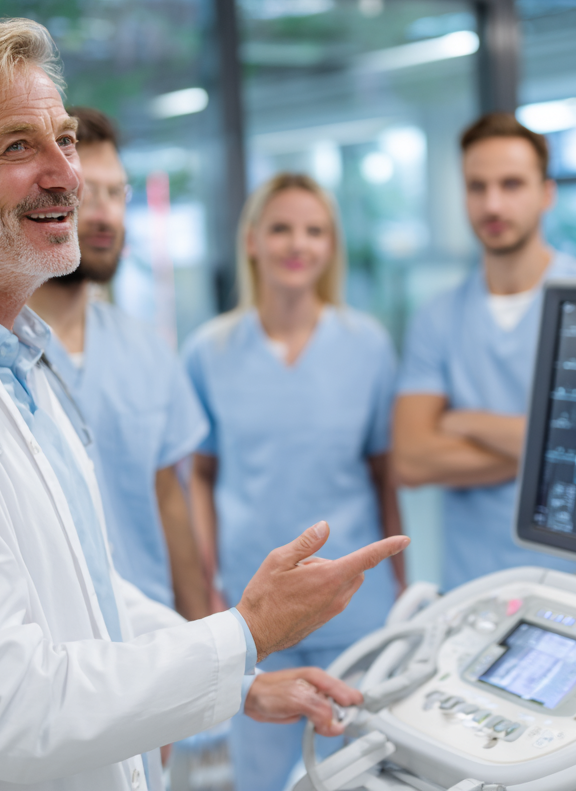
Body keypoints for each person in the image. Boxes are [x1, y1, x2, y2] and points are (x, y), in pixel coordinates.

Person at [0, 18, 406, 791]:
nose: (67, 176)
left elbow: (87, 593)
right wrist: (247, 634)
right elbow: (1, 708)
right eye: (17, 146)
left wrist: (237, 677)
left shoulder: (19, 361)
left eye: (64, 140)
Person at [183, 172, 403, 791]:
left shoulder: (368, 346)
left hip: (358, 605)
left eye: (313, 230)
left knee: (360, 773)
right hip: (256, 613)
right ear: (252, 240)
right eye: (280, 228)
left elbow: (384, 476)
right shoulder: (209, 351)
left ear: (331, 246)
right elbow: (200, 474)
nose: (296, 244)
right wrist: (206, 578)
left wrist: (402, 579)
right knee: (258, 777)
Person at [392, 113, 576, 591]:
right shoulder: (437, 317)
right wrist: (550, 449)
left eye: (511, 184)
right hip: (471, 587)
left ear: (547, 193)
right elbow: (412, 461)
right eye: (477, 186)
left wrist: (465, 421)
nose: (493, 203)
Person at [28, 107, 210, 620]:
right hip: (57, 652)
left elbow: (169, 502)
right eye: (88, 193)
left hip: (155, 640)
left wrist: (210, 644)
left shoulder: (146, 351)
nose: (105, 214)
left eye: (117, 193)